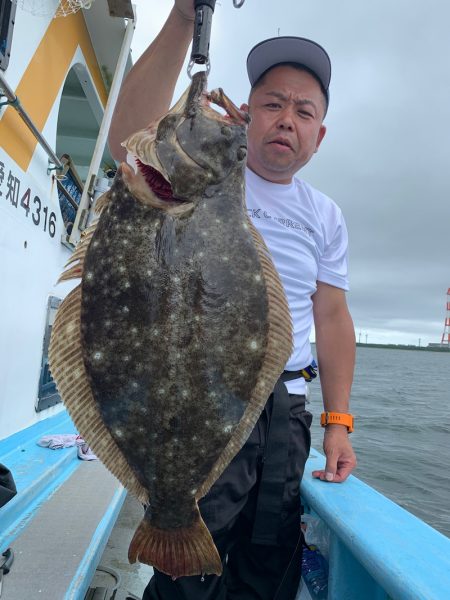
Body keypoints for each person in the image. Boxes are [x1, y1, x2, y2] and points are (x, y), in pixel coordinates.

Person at [108, 2, 357, 599]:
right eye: (272, 103)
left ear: (318, 137)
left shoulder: (325, 216)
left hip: (287, 413)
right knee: (188, 571)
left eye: (304, 111)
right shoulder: (195, 173)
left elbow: (332, 316)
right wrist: (180, 21)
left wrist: (338, 422)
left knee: (267, 562)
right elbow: (125, 140)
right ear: (246, 116)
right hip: (198, 391)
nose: (286, 120)